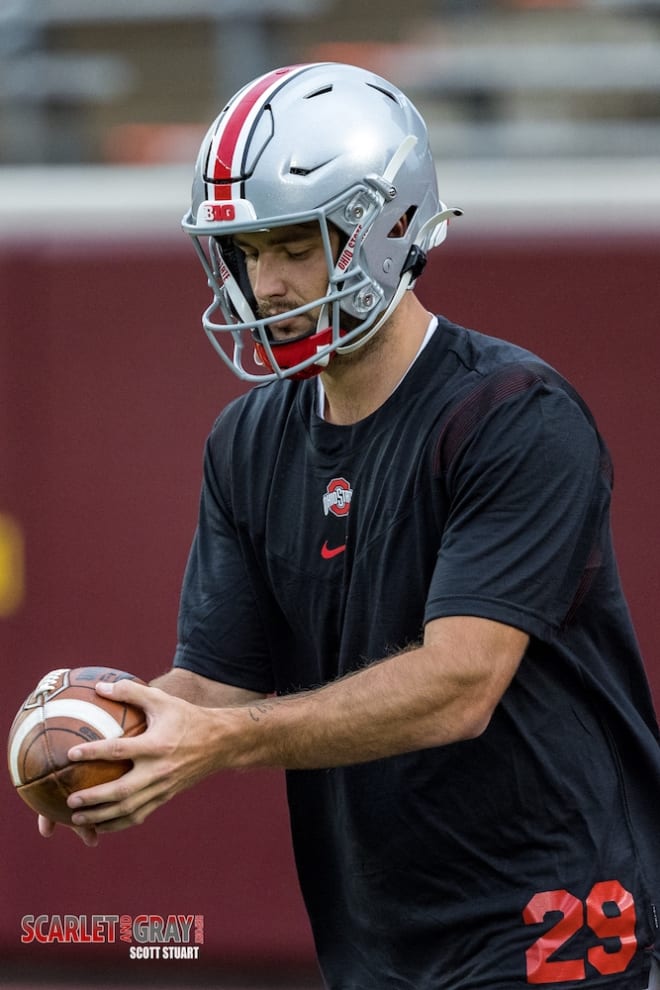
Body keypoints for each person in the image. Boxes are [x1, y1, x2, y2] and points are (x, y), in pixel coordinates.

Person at [39, 62, 660, 989]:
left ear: (389, 226)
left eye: (295, 245)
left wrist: (226, 740)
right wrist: (119, 730)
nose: (269, 283)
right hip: (377, 942)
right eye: (248, 253)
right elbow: (215, 685)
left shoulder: (513, 414)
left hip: (553, 925)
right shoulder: (247, 438)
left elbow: (458, 685)